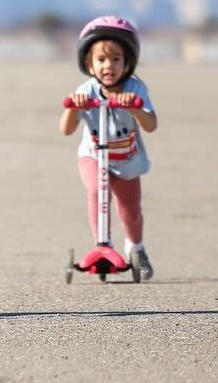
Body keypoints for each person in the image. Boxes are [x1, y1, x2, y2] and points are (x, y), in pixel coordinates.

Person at [59, 15, 158, 279]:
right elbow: (66, 130)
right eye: (101, 60)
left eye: (116, 59)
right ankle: (102, 244)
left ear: (127, 63)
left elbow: (150, 124)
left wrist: (134, 107)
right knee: (96, 191)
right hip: (93, 155)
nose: (109, 66)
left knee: (131, 212)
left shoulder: (135, 88)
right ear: (89, 64)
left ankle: (136, 248)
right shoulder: (86, 90)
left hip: (126, 159)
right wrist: (74, 108)